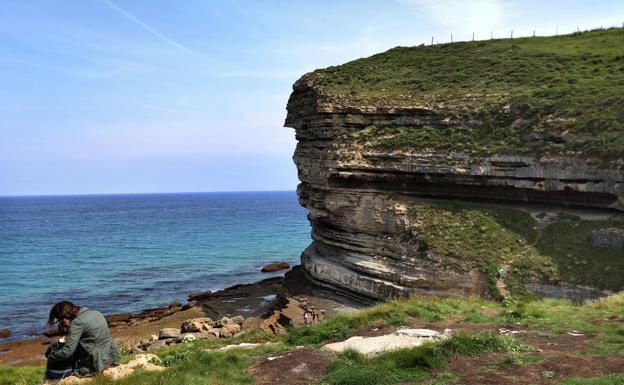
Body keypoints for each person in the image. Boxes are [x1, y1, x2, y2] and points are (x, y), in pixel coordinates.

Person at [45, 301, 121, 378]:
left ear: (63, 316)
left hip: (95, 362)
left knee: (52, 369)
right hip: (109, 355)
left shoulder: (77, 323)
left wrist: (50, 357)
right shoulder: (94, 312)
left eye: (59, 320)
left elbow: (67, 352)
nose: (60, 323)